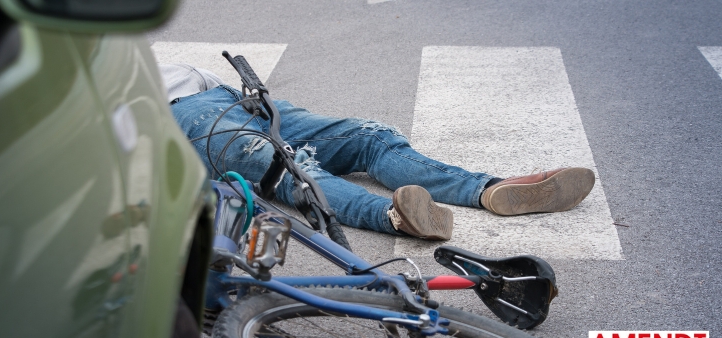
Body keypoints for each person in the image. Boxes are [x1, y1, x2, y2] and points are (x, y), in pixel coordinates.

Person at [161, 63, 596, 241]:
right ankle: (396, 217)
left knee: (369, 136)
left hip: (238, 97)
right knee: (292, 168)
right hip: (183, 117)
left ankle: (489, 189)